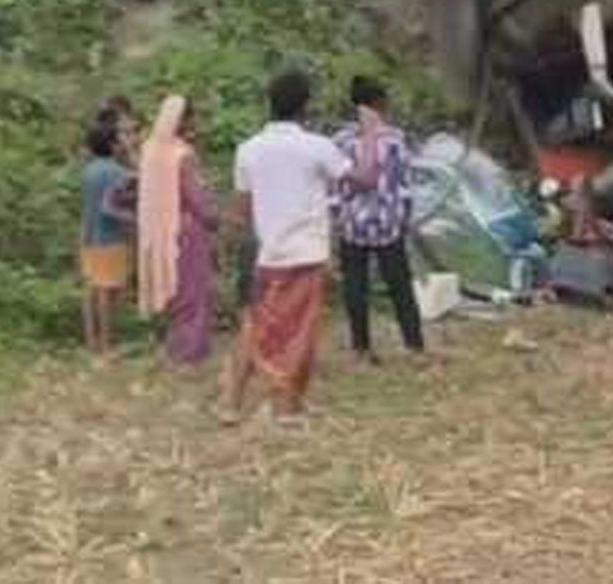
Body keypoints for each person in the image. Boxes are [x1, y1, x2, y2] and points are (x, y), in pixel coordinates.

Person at [219, 71, 374, 421]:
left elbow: (240, 212)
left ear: (269, 103)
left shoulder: (248, 150)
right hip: (305, 253)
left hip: (269, 253)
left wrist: (226, 244)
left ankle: (232, 402)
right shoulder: (317, 147)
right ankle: (285, 407)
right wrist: (372, 134)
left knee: (256, 325)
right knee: (300, 331)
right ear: (306, 105)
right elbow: (366, 179)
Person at [333, 77, 424, 363]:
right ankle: (414, 345)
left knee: (355, 286)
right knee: (400, 285)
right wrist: (407, 217)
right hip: (388, 223)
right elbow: (404, 185)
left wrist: (336, 219)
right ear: (380, 104)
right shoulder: (395, 140)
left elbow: (334, 188)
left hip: (352, 223)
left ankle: (361, 348)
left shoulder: (341, 141)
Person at [138, 96, 218, 366]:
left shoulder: (149, 150)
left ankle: (174, 346)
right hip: (186, 229)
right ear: (183, 120)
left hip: (158, 231)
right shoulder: (182, 154)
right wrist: (213, 218)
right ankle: (189, 352)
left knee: (175, 291)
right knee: (193, 292)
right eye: (192, 118)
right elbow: (196, 198)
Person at [79, 123, 134, 357]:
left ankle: (92, 342)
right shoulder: (117, 172)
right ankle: (107, 344)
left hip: (90, 235)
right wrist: (133, 218)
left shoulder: (88, 171)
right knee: (107, 291)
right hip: (111, 237)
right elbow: (110, 207)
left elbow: (88, 207)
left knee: (92, 289)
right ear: (112, 144)